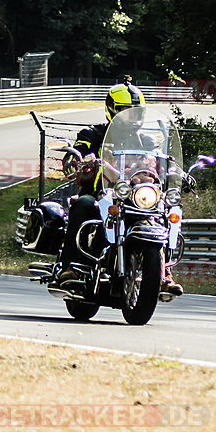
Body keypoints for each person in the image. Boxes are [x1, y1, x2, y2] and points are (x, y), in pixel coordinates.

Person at [55, 79, 183, 296]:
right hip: (101, 193)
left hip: (137, 197)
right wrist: (81, 160)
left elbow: (161, 162)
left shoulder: (147, 141)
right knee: (83, 204)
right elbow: (74, 155)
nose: (133, 118)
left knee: (168, 212)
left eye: (137, 112)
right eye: (127, 111)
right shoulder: (93, 134)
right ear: (112, 110)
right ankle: (71, 267)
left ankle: (164, 273)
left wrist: (177, 171)